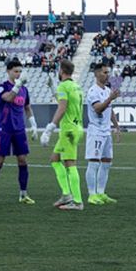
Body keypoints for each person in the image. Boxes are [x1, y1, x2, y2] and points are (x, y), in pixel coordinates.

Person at [0, 60, 38, 205]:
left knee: (22, 160)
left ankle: (23, 194)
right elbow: (8, 98)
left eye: (20, 71)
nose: (18, 74)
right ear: (8, 71)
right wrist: (18, 84)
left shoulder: (24, 89)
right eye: (15, 71)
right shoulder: (2, 87)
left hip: (19, 129)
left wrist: (33, 125)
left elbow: (27, 107)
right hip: (5, 129)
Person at [40, 60, 85, 210]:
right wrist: (53, 87)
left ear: (61, 71)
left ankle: (77, 202)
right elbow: (66, 101)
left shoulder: (64, 86)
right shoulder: (76, 86)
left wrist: (50, 127)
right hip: (76, 127)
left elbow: (62, 107)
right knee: (54, 159)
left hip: (68, 130)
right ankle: (66, 194)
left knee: (70, 163)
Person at [83, 62, 121, 205]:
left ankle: (101, 192)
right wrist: (110, 98)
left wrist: (116, 126)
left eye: (108, 72)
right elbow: (98, 108)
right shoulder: (93, 91)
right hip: (96, 132)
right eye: (105, 72)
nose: (107, 75)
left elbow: (109, 110)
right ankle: (92, 195)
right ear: (97, 73)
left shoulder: (106, 90)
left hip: (106, 132)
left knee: (106, 163)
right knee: (93, 162)